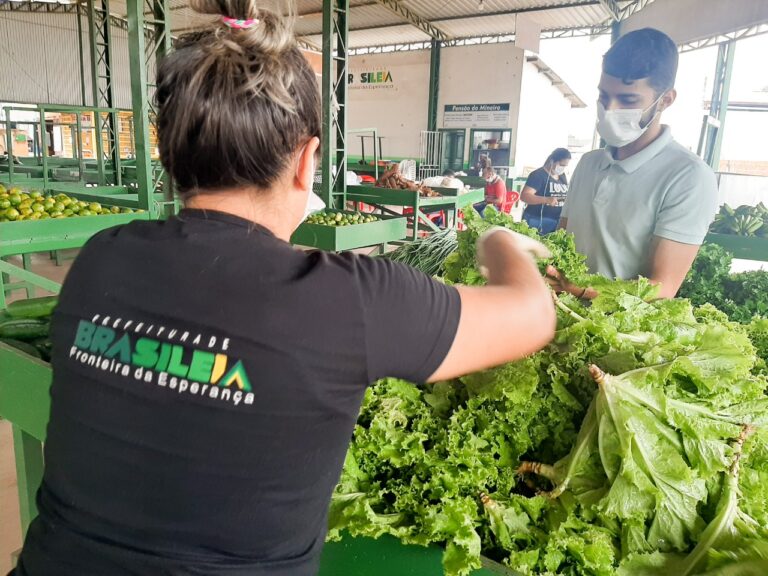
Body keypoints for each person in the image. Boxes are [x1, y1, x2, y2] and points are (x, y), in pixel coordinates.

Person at [12, 2, 556, 575]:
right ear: (306, 162)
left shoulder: (101, 258)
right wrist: (500, 242)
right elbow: (531, 315)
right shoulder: (345, 302)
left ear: (168, 154)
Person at [555, 27, 718, 299]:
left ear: (665, 100)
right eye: (604, 97)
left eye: (628, 100)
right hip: (557, 321)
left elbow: (662, 287)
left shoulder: (688, 177)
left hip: (624, 338)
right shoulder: (588, 164)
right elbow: (561, 244)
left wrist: (580, 291)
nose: (611, 110)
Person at [521, 148, 571, 235]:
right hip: (537, 220)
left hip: (556, 221)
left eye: (565, 166)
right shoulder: (538, 175)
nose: (562, 168)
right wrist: (546, 199)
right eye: (561, 165)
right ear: (552, 161)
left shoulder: (562, 176)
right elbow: (525, 196)